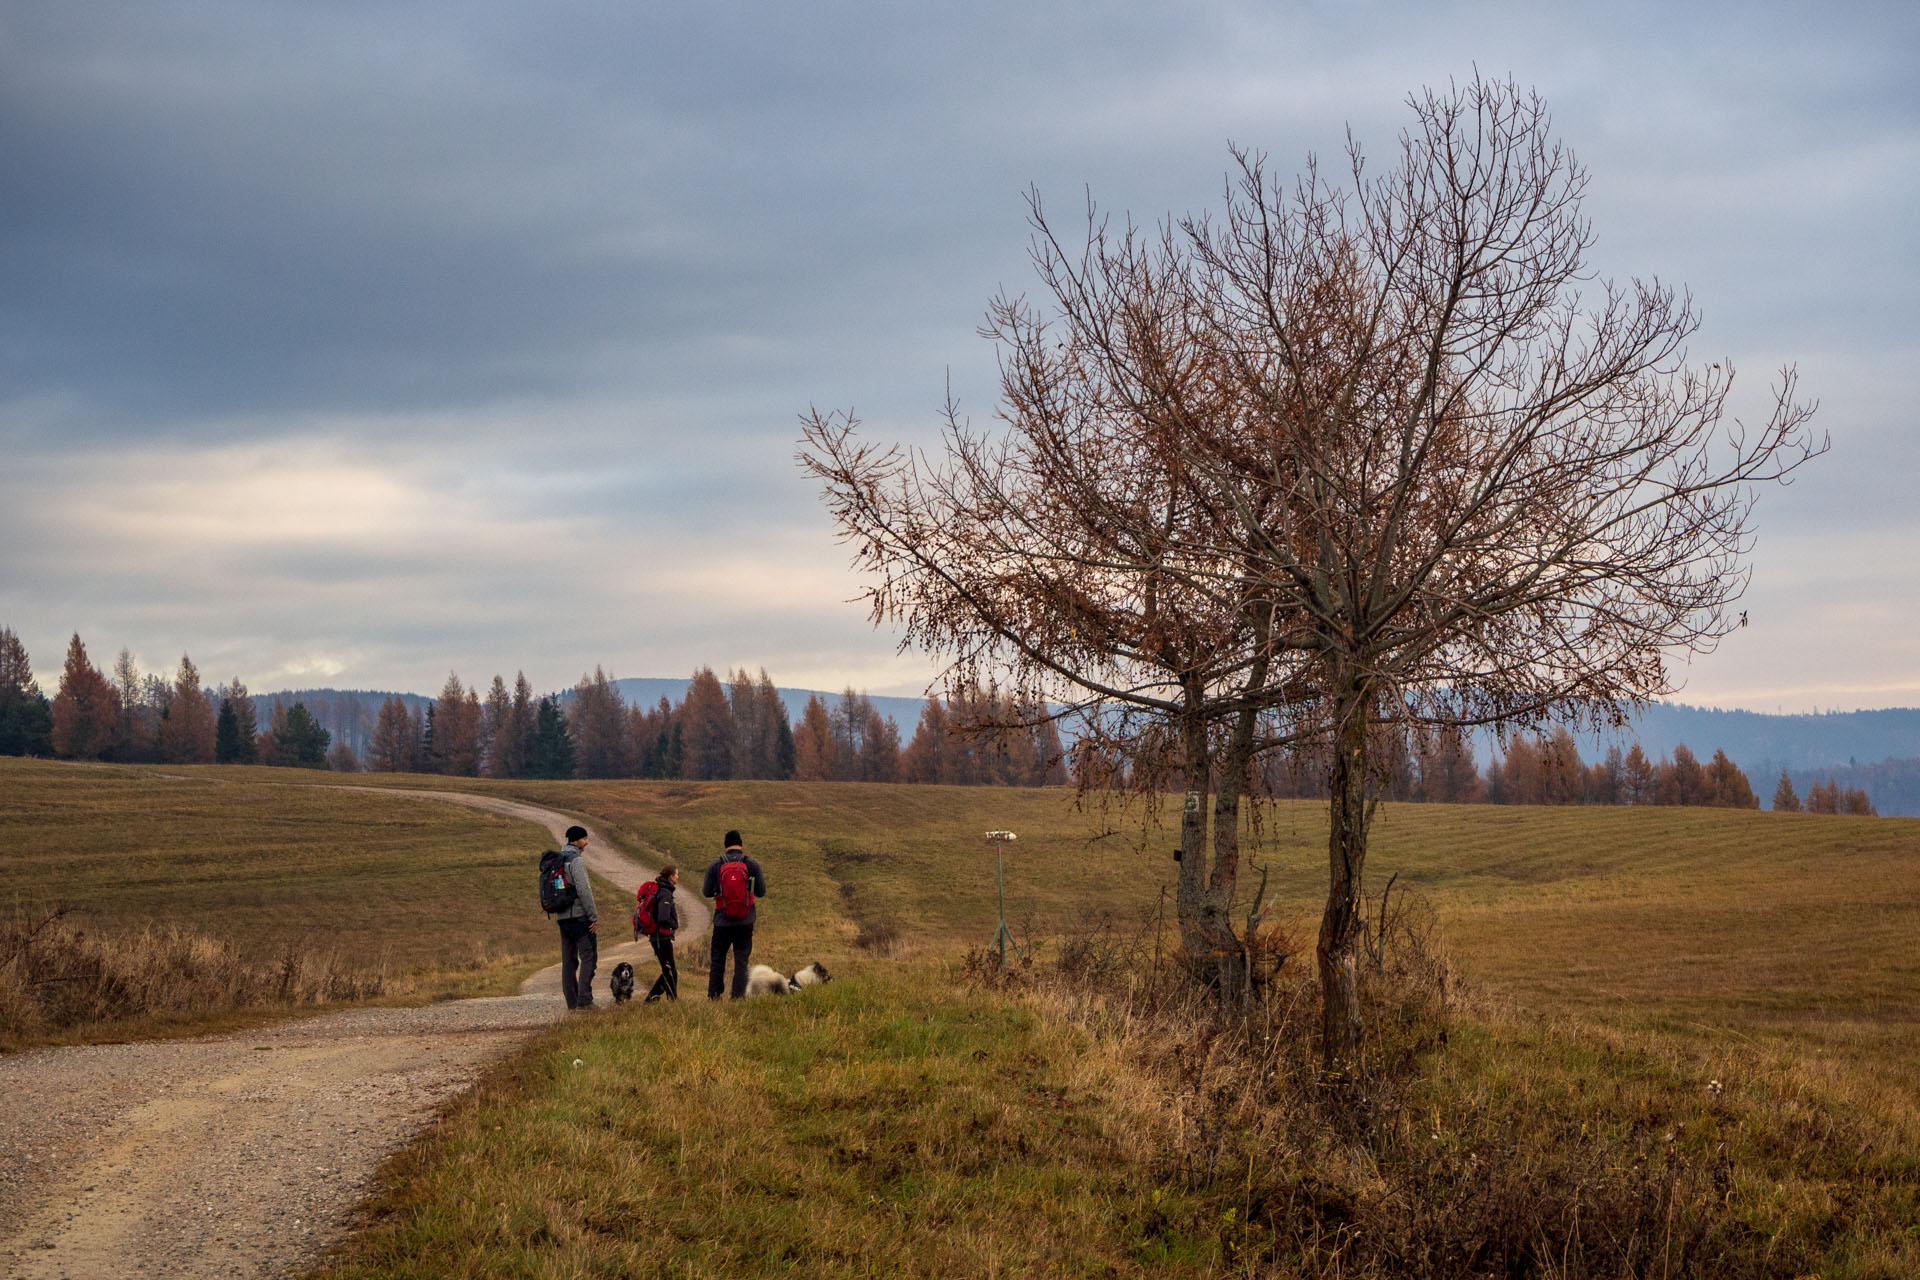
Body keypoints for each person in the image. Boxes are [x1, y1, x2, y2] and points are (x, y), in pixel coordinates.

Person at [702, 829, 768, 1000]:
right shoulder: (751, 864)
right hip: (745, 921)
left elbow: (706, 892)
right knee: (741, 961)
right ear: (741, 844)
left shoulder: (716, 865)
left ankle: (714, 996)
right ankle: (738, 997)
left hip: (722, 921)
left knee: (717, 959)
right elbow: (761, 891)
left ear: (725, 845)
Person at [553, 824, 598, 1009]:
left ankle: (571, 1001)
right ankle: (585, 1000)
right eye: (585, 839)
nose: (587, 842)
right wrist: (593, 916)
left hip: (562, 917)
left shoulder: (557, 860)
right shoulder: (576, 861)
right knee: (589, 957)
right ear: (576, 840)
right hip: (579, 917)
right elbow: (584, 890)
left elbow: (557, 889)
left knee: (568, 961)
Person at [645, 863, 680, 1002]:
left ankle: (651, 999)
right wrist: (673, 925)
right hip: (661, 937)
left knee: (668, 970)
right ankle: (672, 1001)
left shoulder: (663, 890)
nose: (678, 877)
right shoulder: (665, 893)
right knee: (671, 971)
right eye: (677, 874)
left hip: (659, 937)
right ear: (671, 876)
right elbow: (663, 917)